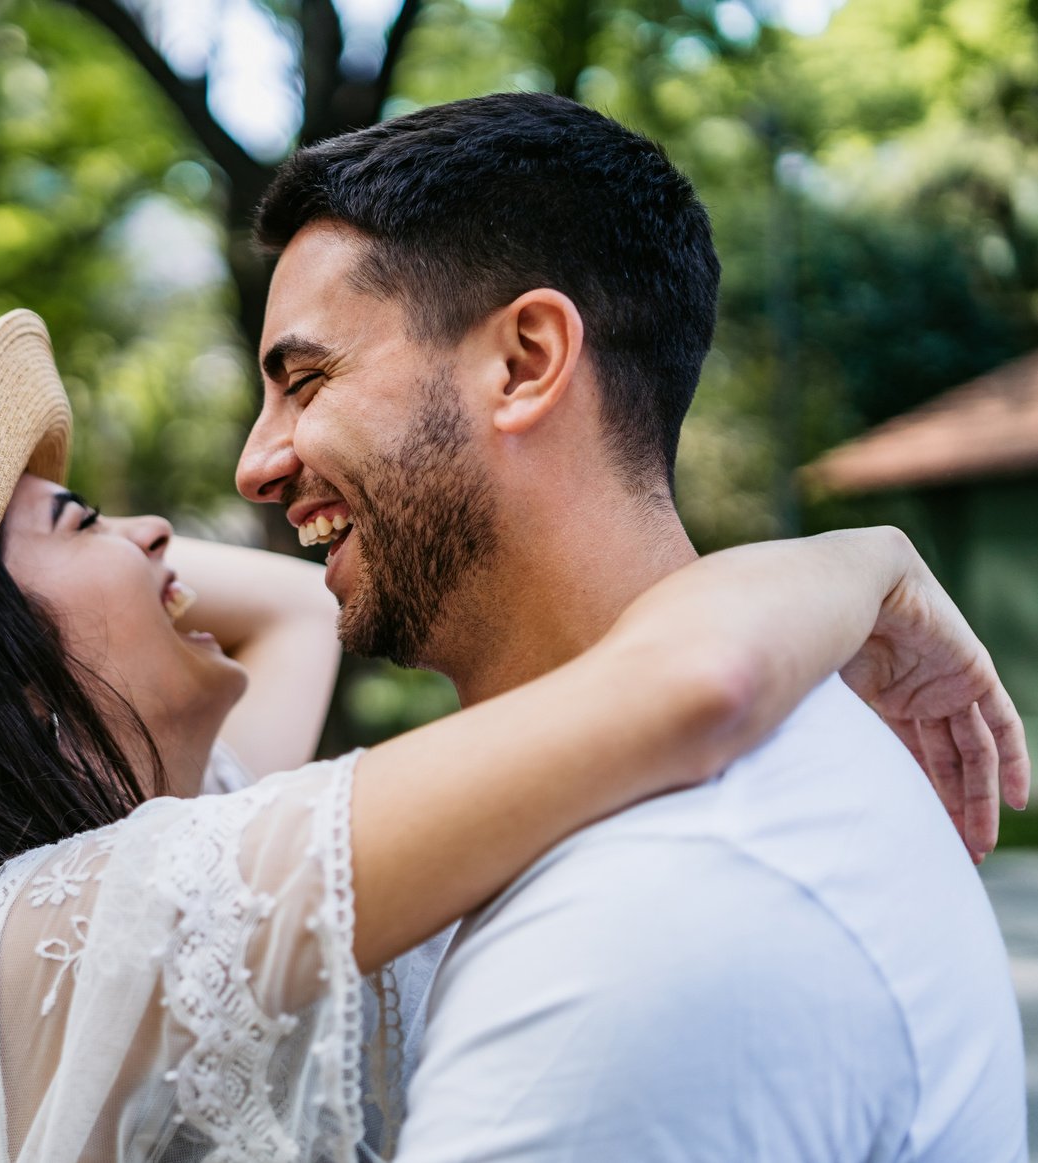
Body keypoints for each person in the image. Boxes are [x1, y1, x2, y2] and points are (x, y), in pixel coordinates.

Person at [0, 309, 1025, 1163]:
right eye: (84, 518)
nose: (165, 529)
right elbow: (698, 680)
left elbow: (287, 609)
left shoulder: (154, 857)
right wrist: (871, 560)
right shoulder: (48, 930)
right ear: (17, 684)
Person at [236, 91, 1028, 1159]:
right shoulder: (660, 815)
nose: (256, 460)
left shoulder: (649, 914)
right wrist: (857, 558)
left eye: (305, 381)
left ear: (523, 361)